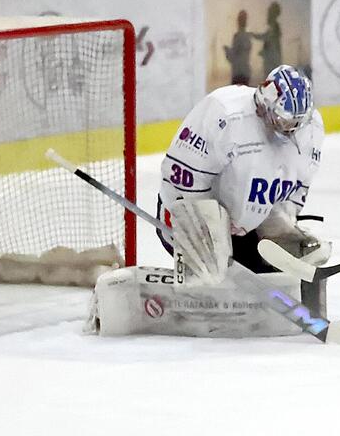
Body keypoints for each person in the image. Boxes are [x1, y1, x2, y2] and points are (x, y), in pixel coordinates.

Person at [86, 65, 327, 338]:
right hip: (197, 217)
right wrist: (198, 235)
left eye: (295, 122)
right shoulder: (224, 114)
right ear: (264, 103)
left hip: (250, 225)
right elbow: (181, 181)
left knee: (297, 249)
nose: (289, 129)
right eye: (282, 120)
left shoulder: (311, 129)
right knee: (210, 271)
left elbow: (297, 190)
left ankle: (270, 278)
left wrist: (284, 231)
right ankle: (197, 276)